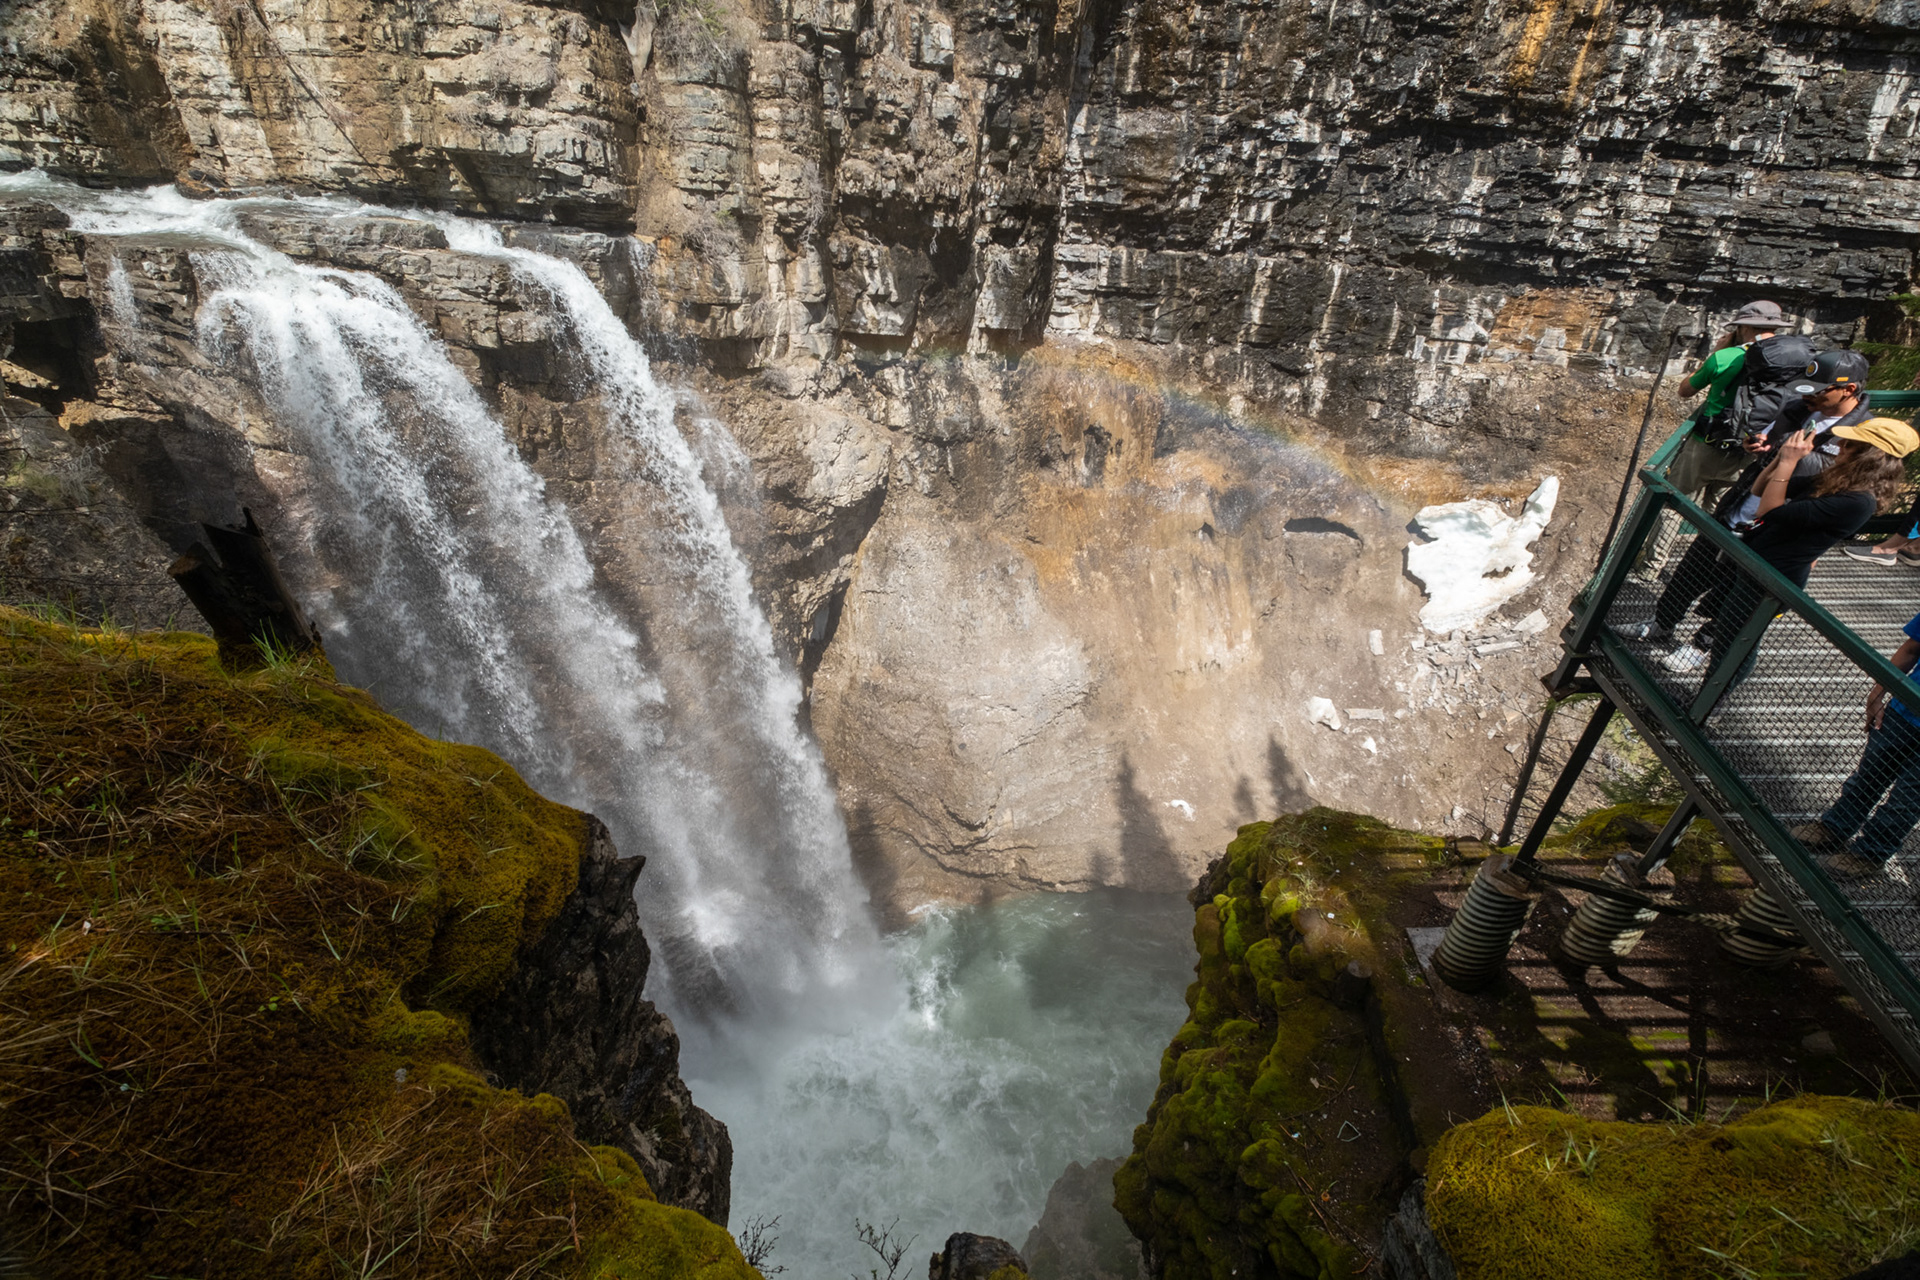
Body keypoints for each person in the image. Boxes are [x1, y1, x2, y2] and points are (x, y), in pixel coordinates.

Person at [1615, 351, 1878, 650]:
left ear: (1849, 389)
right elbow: (1765, 438)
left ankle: (1702, 648)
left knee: (1736, 594)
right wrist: (1755, 443)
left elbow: (1842, 494)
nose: (1807, 397)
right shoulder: (1797, 409)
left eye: (1817, 391)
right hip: (1741, 506)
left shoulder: (1862, 435)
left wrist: (1814, 546)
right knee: (1692, 569)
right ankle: (1663, 622)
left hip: (1779, 527)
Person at [1660, 417, 1915, 678]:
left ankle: (1707, 708)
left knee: (1735, 645)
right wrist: (1779, 458)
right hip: (1754, 564)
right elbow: (1760, 489)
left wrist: (1790, 462)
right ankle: (1704, 703)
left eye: (1849, 444)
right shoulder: (1834, 481)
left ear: (1868, 457)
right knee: (1726, 628)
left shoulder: (1858, 503)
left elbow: (1769, 511)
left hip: (1776, 578)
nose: (1839, 445)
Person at [1793, 610, 1920, 879]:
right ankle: (1836, 826)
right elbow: (1911, 648)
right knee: (1868, 775)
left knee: (1906, 800)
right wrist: (1877, 693)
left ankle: (1870, 854)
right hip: (1904, 711)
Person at [1666, 301, 1787, 511]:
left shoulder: (1725, 357)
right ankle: (1704, 544)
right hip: (1750, 448)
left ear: (1745, 327)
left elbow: (1685, 391)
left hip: (1707, 444)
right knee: (1719, 509)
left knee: (1676, 503)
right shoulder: (1788, 362)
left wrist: (1716, 354)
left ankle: (1653, 545)